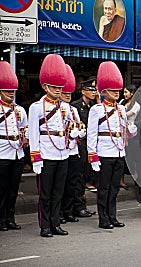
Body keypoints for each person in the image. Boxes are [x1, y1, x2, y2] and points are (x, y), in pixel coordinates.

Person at [29, 54, 72, 237]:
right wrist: (35, 157)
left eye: (59, 87)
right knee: (45, 194)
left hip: (62, 152)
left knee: (58, 192)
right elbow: (32, 133)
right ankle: (44, 225)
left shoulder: (66, 107)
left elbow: (69, 127)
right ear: (45, 86)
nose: (57, 90)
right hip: (46, 153)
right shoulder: (36, 107)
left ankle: (55, 223)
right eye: (53, 87)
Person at [87, 61, 135, 229]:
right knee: (104, 188)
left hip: (119, 151)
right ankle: (103, 218)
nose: (116, 93)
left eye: (117, 90)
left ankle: (112, 216)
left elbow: (125, 131)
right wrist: (92, 156)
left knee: (114, 187)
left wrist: (132, 130)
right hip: (104, 152)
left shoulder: (121, 109)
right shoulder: (97, 110)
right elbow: (92, 134)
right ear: (104, 91)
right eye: (113, 90)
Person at [0, 61, 28, 231]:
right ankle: (1, 219)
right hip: (2, 152)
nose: (11, 94)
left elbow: (25, 127)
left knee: (13, 189)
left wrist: (25, 138)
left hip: (17, 152)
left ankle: (10, 217)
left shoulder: (19, 110)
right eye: (7, 91)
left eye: (12, 91)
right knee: (1, 189)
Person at [60, 64, 87, 224]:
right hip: (60, 150)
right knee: (61, 184)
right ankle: (61, 212)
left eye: (70, 92)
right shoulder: (56, 109)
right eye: (65, 92)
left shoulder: (73, 110)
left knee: (73, 182)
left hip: (74, 149)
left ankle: (69, 211)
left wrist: (80, 132)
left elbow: (79, 124)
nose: (68, 95)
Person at [71, 77, 100, 195]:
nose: (93, 92)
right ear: (83, 91)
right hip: (81, 140)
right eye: (90, 90)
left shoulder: (94, 105)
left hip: (92, 140)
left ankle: (90, 181)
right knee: (82, 167)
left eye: (95, 90)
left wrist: (98, 100)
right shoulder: (76, 105)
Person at [119, 84, 139, 190]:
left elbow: (125, 115)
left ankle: (135, 179)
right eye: (124, 92)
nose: (124, 94)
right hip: (121, 133)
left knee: (130, 157)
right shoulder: (121, 102)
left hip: (130, 134)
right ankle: (120, 180)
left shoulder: (136, 105)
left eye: (126, 92)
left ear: (132, 93)